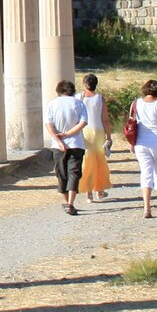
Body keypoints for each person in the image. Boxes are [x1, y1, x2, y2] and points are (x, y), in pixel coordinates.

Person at [124, 78, 157, 217]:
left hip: (141, 143)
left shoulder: (135, 103)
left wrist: (131, 143)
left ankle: (147, 208)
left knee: (145, 174)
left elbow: (131, 125)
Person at [44, 80, 88, 215]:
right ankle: (70, 203)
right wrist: (68, 134)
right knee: (74, 173)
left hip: (58, 146)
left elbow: (49, 124)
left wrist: (58, 139)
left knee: (61, 173)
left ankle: (67, 201)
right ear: (72, 91)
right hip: (76, 143)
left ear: (58, 91)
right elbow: (83, 122)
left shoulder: (52, 104)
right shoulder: (78, 103)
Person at [78, 73, 112, 202]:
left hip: (84, 131)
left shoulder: (79, 98)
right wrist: (109, 136)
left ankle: (88, 192)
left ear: (84, 84)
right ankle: (100, 190)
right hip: (98, 132)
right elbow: (105, 119)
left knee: (87, 161)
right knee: (99, 161)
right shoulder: (100, 98)